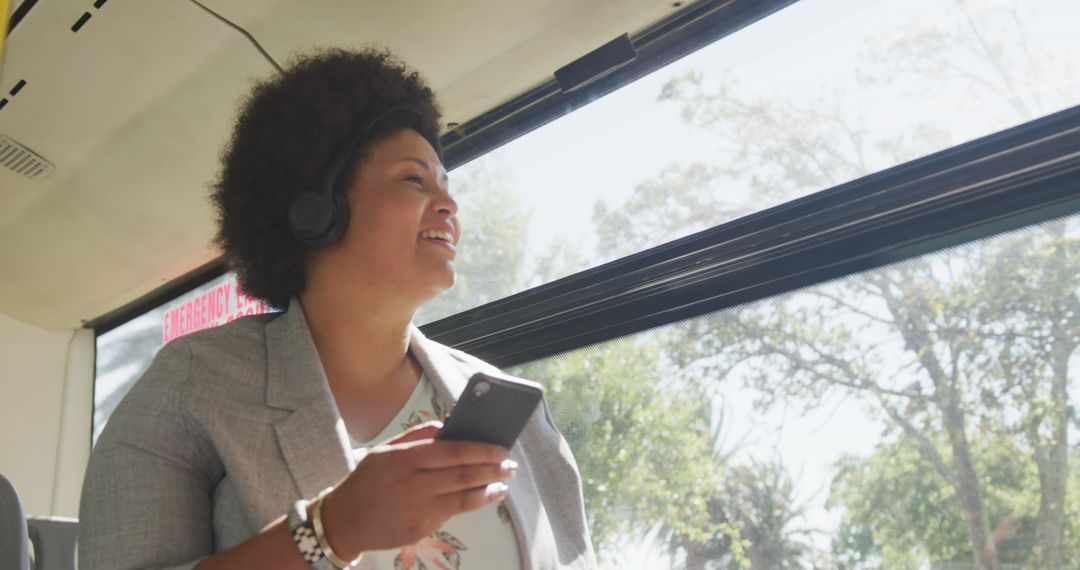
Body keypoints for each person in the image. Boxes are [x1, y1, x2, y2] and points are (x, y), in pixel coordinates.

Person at [78, 48, 596, 570]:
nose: (450, 205)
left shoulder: (515, 411)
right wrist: (333, 530)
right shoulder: (195, 383)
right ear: (317, 212)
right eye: (414, 180)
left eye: (447, 185)